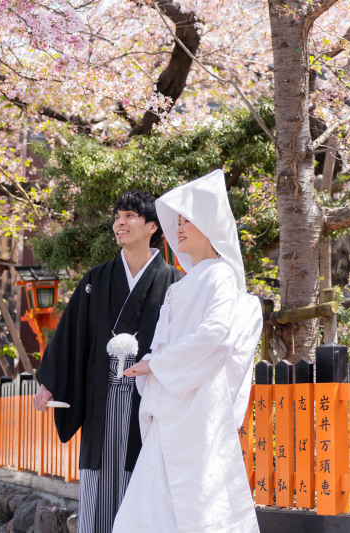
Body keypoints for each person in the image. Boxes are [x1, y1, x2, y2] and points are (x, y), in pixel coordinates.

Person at [113, 170, 262, 532]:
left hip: (197, 405)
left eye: (188, 222)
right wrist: (154, 366)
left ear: (210, 225)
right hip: (172, 400)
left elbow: (216, 336)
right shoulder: (184, 285)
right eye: (177, 222)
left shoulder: (220, 276)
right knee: (155, 502)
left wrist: (156, 365)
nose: (178, 230)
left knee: (197, 498)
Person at [32, 190, 182, 533]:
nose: (120, 223)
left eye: (129, 216)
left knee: (143, 486)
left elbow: (183, 344)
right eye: (116, 217)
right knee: (99, 490)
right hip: (101, 402)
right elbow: (71, 336)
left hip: (149, 402)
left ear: (152, 226)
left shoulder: (174, 282)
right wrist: (49, 382)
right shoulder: (95, 280)